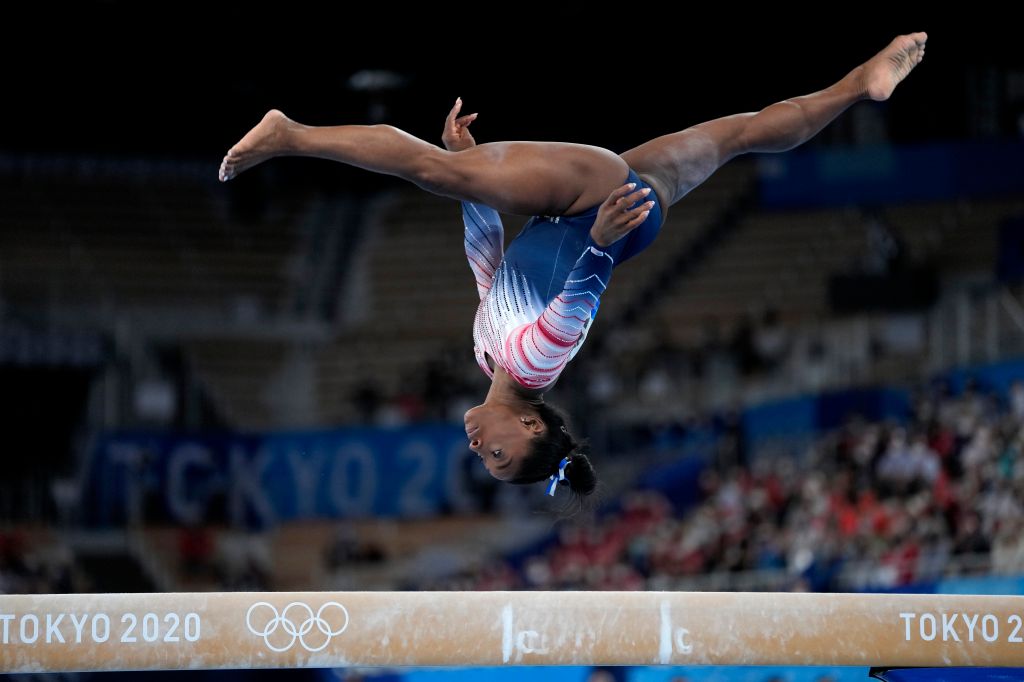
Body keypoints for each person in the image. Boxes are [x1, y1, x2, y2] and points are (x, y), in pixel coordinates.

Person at [220, 33, 927, 500]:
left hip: (613, 210)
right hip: (596, 209)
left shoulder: (488, 351)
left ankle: (860, 83)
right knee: (434, 172)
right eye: (497, 457)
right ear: (531, 429)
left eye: (484, 463)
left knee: (739, 135)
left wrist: (470, 171)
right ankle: (293, 134)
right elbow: (578, 304)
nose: (479, 450)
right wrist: (592, 239)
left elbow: (487, 261)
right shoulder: (537, 366)